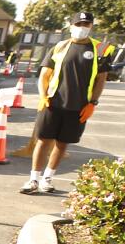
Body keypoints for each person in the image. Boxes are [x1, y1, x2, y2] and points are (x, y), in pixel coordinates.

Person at [20, 11, 111, 194]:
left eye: (86, 25)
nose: (82, 28)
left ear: (91, 27)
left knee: (62, 144)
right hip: (52, 104)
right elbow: (44, 75)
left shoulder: (100, 49)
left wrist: (92, 103)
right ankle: (33, 180)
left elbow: (101, 80)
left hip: (79, 106)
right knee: (43, 141)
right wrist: (43, 96)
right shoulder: (59, 47)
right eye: (78, 25)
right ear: (71, 26)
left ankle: (47, 179)